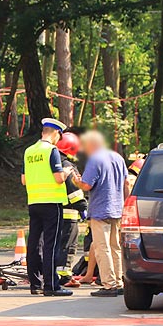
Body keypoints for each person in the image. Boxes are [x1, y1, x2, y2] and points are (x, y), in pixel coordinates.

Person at [21, 118, 73, 297]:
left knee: (34, 243)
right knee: (51, 244)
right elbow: (59, 178)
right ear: (56, 133)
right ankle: (51, 286)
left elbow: (24, 180)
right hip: (51, 203)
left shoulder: (29, 151)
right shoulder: (51, 150)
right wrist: (66, 172)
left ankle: (35, 284)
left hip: (34, 202)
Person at [74, 131, 129, 297]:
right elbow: (126, 182)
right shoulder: (118, 157)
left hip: (100, 210)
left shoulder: (95, 160)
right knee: (115, 247)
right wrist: (125, 204)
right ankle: (119, 282)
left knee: (101, 248)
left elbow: (87, 185)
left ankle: (108, 284)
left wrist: (76, 180)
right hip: (117, 209)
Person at [56, 132, 88, 288]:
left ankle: (54, 272)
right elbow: (73, 190)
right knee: (68, 245)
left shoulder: (52, 163)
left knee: (55, 244)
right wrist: (83, 206)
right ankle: (64, 275)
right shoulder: (67, 166)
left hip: (53, 211)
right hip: (69, 213)